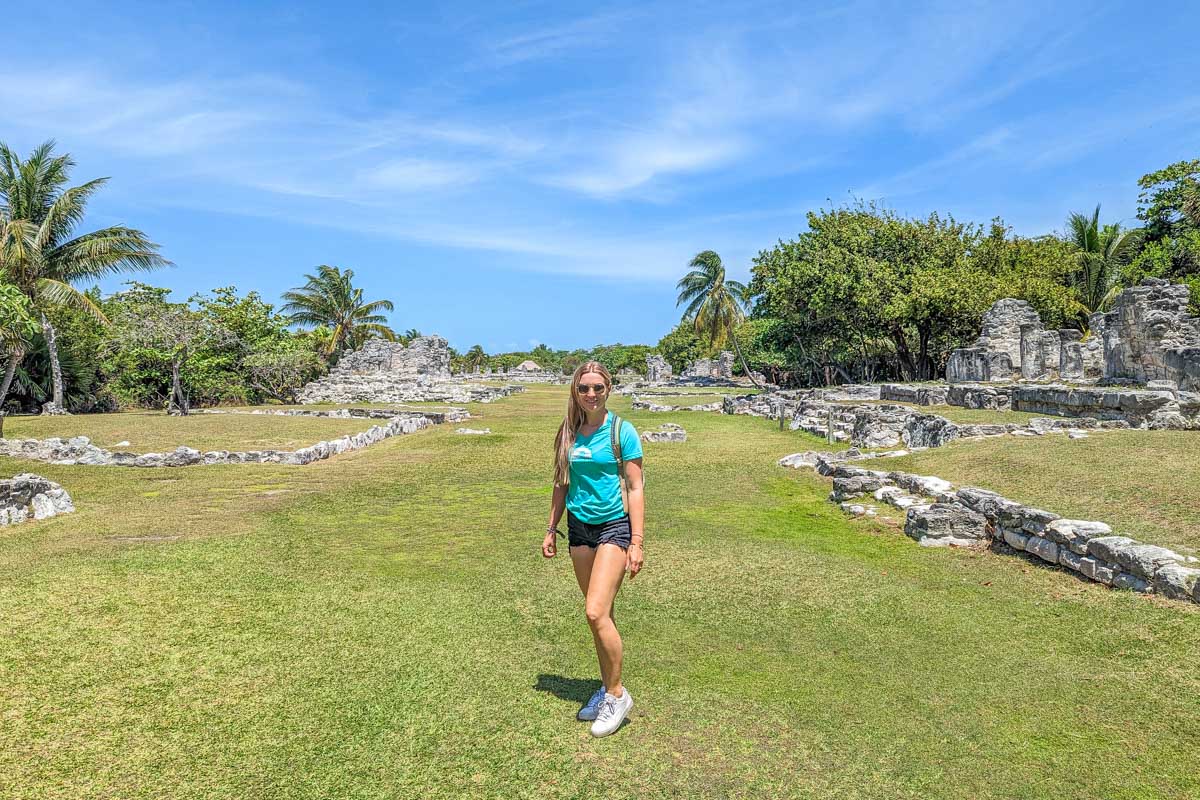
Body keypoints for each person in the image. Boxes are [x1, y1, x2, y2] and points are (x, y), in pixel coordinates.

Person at [543, 361, 644, 738]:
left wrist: (636, 542)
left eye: (597, 388)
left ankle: (617, 695)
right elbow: (560, 483)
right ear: (575, 390)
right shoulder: (569, 431)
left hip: (614, 527)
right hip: (579, 529)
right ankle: (606, 686)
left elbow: (635, 488)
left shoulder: (622, 431)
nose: (590, 394)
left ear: (608, 389)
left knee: (594, 611)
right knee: (604, 617)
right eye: (584, 388)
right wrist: (551, 528)